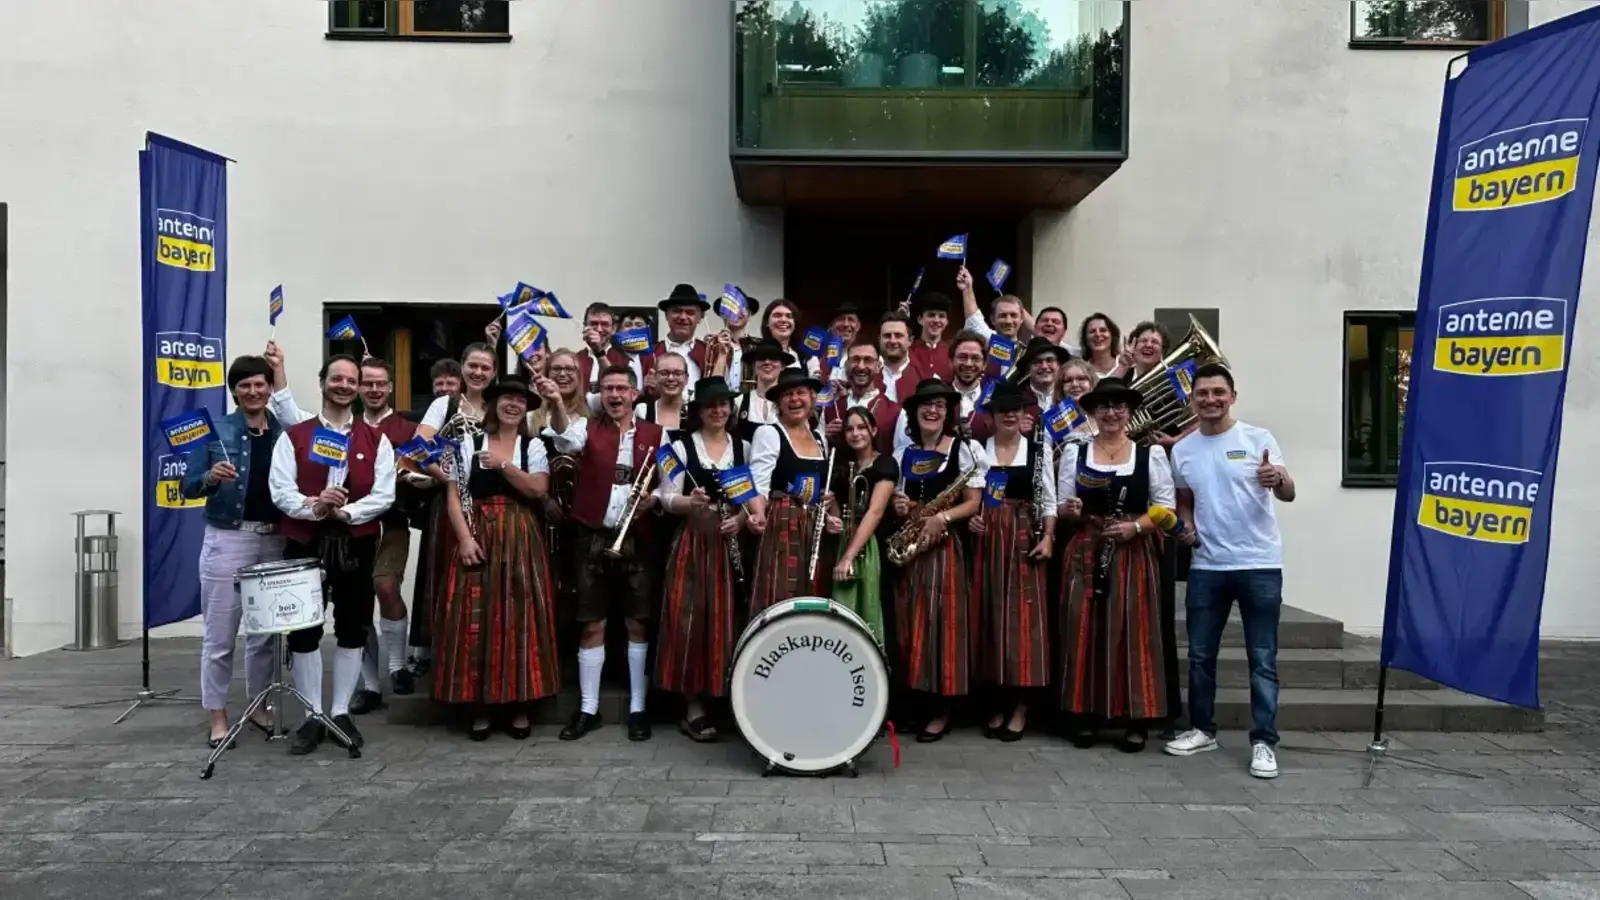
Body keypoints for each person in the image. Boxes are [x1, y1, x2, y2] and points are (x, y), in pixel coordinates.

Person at [1164, 363, 1293, 780]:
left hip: (1259, 563)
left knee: (1262, 658)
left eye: (1218, 392)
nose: (1211, 400)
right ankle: (1202, 730)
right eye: (1202, 393)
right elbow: (1185, 499)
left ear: (1232, 396)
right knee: (1201, 655)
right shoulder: (1183, 450)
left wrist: (1278, 479)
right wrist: (1187, 527)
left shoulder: (1258, 438)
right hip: (1208, 564)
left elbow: (1288, 492)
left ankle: (1264, 742)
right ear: (1192, 400)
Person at [268, 355, 397, 755]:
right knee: (304, 629)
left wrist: (346, 512)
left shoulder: (376, 439)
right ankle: (312, 715)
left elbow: (384, 494)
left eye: (351, 380)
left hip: (355, 541)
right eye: (336, 378)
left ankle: (339, 712)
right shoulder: (295, 436)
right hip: (304, 540)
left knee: (353, 625)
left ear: (358, 387)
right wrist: (316, 506)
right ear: (323, 382)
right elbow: (281, 490)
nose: (343, 385)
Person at [541, 365, 661, 742]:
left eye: (622, 389)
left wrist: (655, 497)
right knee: (592, 623)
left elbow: (670, 480)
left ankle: (638, 708)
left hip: (638, 537)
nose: (615, 395)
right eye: (608, 389)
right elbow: (564, 438)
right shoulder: (587, 427)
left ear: (634, 394)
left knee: (637, 622)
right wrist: (556, 402)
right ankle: (588, 708)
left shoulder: (657, 433)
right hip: (593, 536)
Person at [435, 374, 559, 741]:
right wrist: (464, 538)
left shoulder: (532, 446)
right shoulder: (468, 442)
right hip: (478, 532)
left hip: (520, 536)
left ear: (526, 409)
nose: (513, 404)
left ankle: (519, 704)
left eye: (520, 400)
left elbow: (538, 489)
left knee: (520, 617)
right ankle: (480, 707)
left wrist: (504, 465)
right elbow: (454, 494)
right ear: (492, 403)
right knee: (475, 618)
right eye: (506, 398)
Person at [1055, 376, 1173, 753]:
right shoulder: (1076, 452)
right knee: (1082, 628)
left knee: (1133, 630)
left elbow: (1165, 507)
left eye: (1119, 406)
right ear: (1093, 412)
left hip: (1133, 550)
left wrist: (1135, 527)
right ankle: (1085, 714)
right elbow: (1062, 506)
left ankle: (1135, 718)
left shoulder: (1149, 455)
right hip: (1086, 549)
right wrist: (1070, 509)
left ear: (1129, 412)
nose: (1111, 413)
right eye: (1103, 406)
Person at [181, 355, 287, 747]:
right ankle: (218, 715)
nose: (253, 391)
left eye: (259, 384)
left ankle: (258, 706)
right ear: (235, 391)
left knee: (265, 635)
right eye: (244, 386)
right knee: (220, 635)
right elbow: (188, 486)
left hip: (275, 539)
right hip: (228, 537)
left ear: (270, 388)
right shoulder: (216, 431)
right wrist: (210, 477)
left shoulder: (286, 432)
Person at [890, 378, 986, 742]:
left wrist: (942, 517)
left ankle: (941, 707)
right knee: (910, 625)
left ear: (947, 413)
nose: (932, 411)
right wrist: (901, 506)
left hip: (943, 548)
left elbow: (973, 503)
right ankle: (914, 703)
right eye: (926, 405)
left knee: (942, 625)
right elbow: (897, 499)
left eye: (940, 406)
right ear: (914, 412)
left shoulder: (964, 449)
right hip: (911, 550)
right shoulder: (903, 454)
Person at [655, 377, 748, 742]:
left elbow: (752, 498)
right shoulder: (679, 448)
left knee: (726, 619)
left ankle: (723, 699)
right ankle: (692, 705)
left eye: (723, 403)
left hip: (730, 545)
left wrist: (741, 519)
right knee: (689, 621)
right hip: (693, 543)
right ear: (698, 411)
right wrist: (688, 502)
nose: (718, 410)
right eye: (710, 405)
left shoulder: (743, 446)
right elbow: (666, 498)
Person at [972, 381, 1055, 741]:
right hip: (986, 541)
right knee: (989, 617)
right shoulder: (978, 449)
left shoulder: (1038, 450)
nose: (1009, 415)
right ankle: (995, 700)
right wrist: (972, 518)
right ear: (991, 416)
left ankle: (1020, 706)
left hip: (1023, 538)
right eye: (1002, 410)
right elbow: (971, 496)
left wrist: (1049, 536)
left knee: (1023, 621)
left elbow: (1049, 499)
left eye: (1016, 410)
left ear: (1024, 415)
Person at [413, 342, 500, 675]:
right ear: (462, 368)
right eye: (472, 365)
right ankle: (447, 658)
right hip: (450, 503)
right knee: (448, 578)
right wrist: (449, 478)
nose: (478, 372)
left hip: (490, 504)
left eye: (485, 367)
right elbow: (419, 446)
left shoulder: (498, 406)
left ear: (494, 372)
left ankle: (485, 653)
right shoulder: (445, 404)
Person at [347, 358, 422, 714]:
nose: (375, 390)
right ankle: (370, 685)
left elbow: (429, 470)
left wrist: (414, 479)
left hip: (392, 522)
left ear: (391, 387)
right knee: (358, 600)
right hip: (350, 525)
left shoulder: (409, 429)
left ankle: (397, 665)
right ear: (359, 387)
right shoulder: (345, 426)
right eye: (368, 383)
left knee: (386, 587)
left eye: (381, 384)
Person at [747, 367, 839, 611]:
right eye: (788, 394)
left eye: (801, 393)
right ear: (779, 402)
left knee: (812, 590)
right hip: (782, 524)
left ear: (812, 398)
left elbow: (821, 489)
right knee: (781, 592)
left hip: (813, 527)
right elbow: (758, 484)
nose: (795, 399)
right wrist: (758, 513)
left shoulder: (819, 438)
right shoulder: (769, 433)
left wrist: (829, 510)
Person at [830, 407, 895, 645]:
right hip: (842, 542)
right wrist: (832, 518)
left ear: (874, 430)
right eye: (849, 429)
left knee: (870, 607)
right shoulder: (841, 465)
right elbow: (838, 510)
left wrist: (848, 557)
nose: (855, 434)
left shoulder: (886, 463)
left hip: (870, 545)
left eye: (861, 427)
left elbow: (874, 512)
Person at [892, 331, 988, 451]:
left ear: (984, 364)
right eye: (962, 357)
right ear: (951, 361)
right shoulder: (934, 398)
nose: (968, 364)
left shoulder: (993, 401)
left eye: (975, 358)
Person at [820, 343, 900, 456]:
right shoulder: (831, 408)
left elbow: (900, 453)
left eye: (868, 360)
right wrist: (825, 437)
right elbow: (817, 449)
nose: (861, 366)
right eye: (855, 359)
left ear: (878, 366)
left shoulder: (895, 412)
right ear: (847, 365)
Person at [735, 338, 793, 443]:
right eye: (761, 358)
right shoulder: (739, 402)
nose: (767, 362)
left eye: (773, 358)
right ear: (753, 365)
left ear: (783, 366)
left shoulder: (791, 403)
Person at [760, 298, 822, 377]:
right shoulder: (756, 352)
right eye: (777, 315)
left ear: (795, 323)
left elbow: (815, 383)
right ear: (767, 322)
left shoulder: (808, 356)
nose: (783, 320)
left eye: (789, 316)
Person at [876, 311, 927, 404]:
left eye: (898, 335)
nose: (892, 341)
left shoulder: (925, 377)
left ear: (910, 340)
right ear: (879, 340)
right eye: (887, 336)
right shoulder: (868, 374)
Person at [908, 293, 955, 383]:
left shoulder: (953, 353)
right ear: (920, 319)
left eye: (941, 316)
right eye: (931, 315)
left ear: (946, 322)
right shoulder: (908, 351)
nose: (936, 320)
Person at [1078, 313, 1124, 381]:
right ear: (1085, 339)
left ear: (1112, 336)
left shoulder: (1125, 364)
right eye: (1092, 331)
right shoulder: (1080, 371)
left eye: (1103, 330)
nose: (1098, 334)